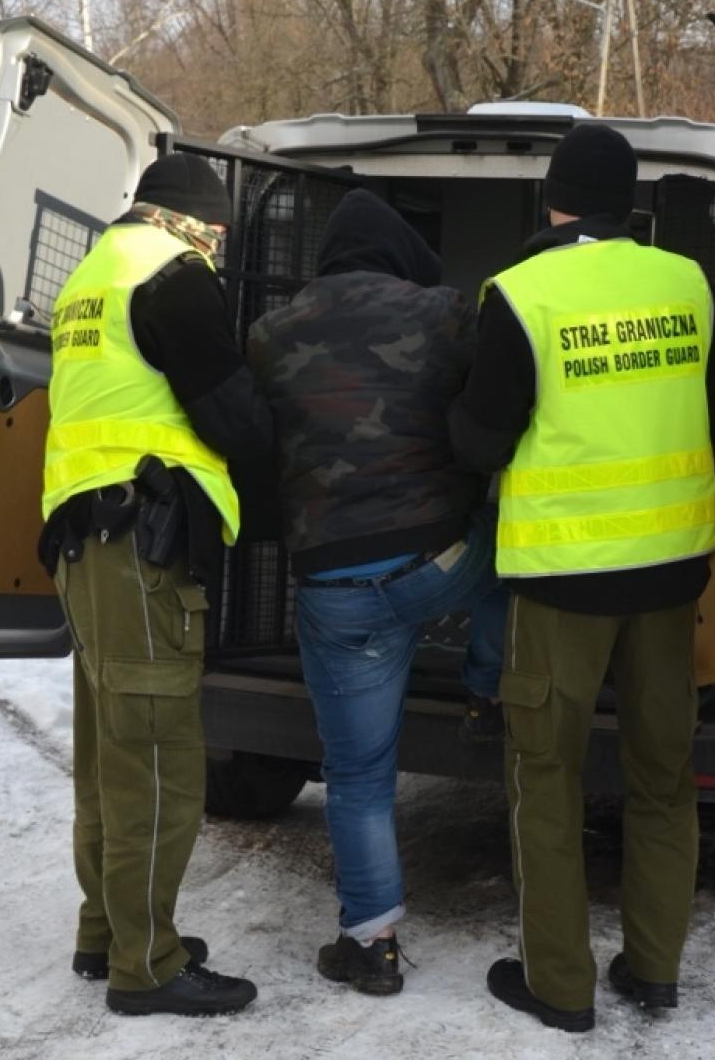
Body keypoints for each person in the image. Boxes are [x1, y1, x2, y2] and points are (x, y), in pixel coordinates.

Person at [449, 124, 715, 1032]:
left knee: (546, 781)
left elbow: (482, 441)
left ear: (552, 200)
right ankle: (653, 970)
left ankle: (559, 985)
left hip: (562, 581)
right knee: (662, 779)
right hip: (670, 580)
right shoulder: (686, 284)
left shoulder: (520, 293)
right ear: (631, 204)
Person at [247, 188, 507, 997]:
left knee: (359, 776)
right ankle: (487, 688)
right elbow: (491, 409)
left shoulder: (268, 332)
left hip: (336, 590)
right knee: (510, 547)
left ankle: (371, 944)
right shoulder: (445, 313)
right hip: (439, 564)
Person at [38, 152, 272, 1017]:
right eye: (218, 232)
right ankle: (147, 965)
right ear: (195, 221)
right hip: (141, 547)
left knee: (108, 757)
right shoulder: (172, 276)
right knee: (160, 763)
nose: (218, 245)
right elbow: (233, 415)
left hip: (83, 543)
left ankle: (107, 933)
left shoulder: (90, 277)